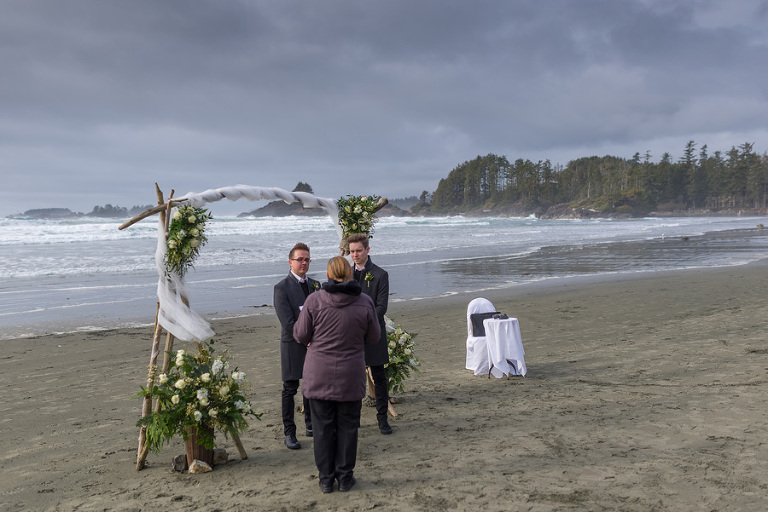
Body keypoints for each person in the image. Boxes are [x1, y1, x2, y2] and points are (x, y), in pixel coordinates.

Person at [294, 256, 380, 493]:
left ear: (328, 275)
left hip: (319, 373)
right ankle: (344, 477)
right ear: (350, 274)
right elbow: (374, 337)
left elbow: (300, 334)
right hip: (350, 373)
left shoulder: (314, 300)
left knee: (322, 429)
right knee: (348, 427)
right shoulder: (364, 302)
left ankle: (325, 479)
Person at [273, 242, 320, 450]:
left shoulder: (316, 285)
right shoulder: (281, 288)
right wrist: (306, 339)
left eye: (307, 259)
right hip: (292, 344)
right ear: (290, 262)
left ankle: (311, 425)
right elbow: (288, 322)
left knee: (311, 386)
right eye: (300, 259)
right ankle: (289, 432)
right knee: (290, 389)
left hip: (314, 345)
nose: (304, 263)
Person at [346, 232, 393, 435]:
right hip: (352, 335)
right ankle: (354, 419)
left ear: (367, 250)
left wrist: (365, 323)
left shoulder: (380, 274)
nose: (355, 255)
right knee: (354, 377)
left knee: (379, 376)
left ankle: (382, 419)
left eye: (358, 251)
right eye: (351, 252)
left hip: (374, 332)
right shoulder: (346, 273)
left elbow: (382, 306)